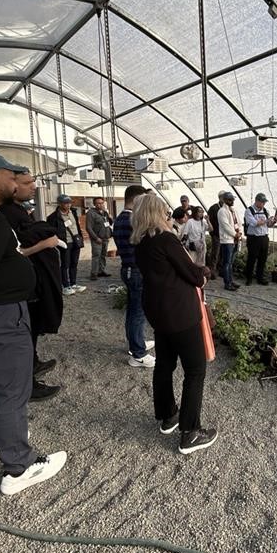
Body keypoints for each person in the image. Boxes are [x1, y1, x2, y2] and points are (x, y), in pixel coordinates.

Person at [0, 151, 66, 495]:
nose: (15, 182)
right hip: (0, 317)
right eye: (11, 176)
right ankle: (19, 467)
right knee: (9, 392)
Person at [132, 195, 217, 455]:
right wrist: (203, 274)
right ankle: (191, 432)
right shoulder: (166, 239)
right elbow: (192, 273)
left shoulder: (140, 242)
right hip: (180, 312)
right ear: (157, 213)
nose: (168, 215)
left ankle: (168, 416)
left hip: (158, 312)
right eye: (165, 211)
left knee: (164, 365)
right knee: (195, 370)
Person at [0, 168, 63, 401]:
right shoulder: (4, 214)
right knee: (23, 335)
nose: (33, 187)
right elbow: (12, 252)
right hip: (19, 289)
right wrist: (45, 243)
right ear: (11, 184)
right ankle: (28, 385)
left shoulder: (17, 210)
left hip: (31, 284)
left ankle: (33, 364)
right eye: (27, 183)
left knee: (32, 329)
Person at [112, 185, 155, 368]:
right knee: (137, 312)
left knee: (133, 311)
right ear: (136, 199)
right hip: (136, 270)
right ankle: (138, 354)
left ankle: (136, 343)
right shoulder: (131, 219)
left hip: (129, 269)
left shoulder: (121, 218)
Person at [46, 194, 84, 296]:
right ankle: (65, 285)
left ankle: (73, 283)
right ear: (59, 204)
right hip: (65, 242)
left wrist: (80, 237)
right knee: (65, 264)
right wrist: (57, 241)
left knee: (74, 263)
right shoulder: (53, 217)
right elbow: (51, 231)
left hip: (76, 241)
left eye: (69, 203)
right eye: (66, 203)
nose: (68, 205)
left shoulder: (73, 212)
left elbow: (77, 226)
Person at [244, 192, 277, 286]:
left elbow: (268, 225)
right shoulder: (249, 210)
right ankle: (249, 278)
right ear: (256, 201)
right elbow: (254, 223)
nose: (263, 204)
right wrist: (266, 221)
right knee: (252, 258)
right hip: (253, 238)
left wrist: (274, 221)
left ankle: (260, 277)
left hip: (264, 237)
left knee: (263, 259)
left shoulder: (265, 211)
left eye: (264, 202)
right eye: (262, 202)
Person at [218, 191, 241, 291]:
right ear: (225, 200)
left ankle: (231, 281)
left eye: (232, 199)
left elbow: (239, 222)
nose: (232, 201)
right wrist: (235, 234)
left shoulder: (233, 210)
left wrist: (240, 232)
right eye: (230, 200)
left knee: (231, 262)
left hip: (234, 239)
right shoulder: (222, 211)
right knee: (227, 262)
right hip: (227, 240)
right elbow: (225, 226)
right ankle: (227, 283)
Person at [86, 196, 112, 280]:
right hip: (97, 239)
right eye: (98, 203)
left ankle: (101, 271)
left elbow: (109, 223)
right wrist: (96, 238)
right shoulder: (91, 213)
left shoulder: (105, 212)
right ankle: (94, 273)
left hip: (105, 238)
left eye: (101, 203)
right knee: (96, 256)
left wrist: (110, 217)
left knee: (103, 255)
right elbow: (88, 227)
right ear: (94, 204)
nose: (100, 205)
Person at [206, 190, 226, 279]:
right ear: (220, 198)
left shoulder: (227, 208)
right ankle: (212, 271)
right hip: (216, 235)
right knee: (215, 253)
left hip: (225, 236)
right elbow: (209, 221)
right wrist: (212, 234)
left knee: (222, 254)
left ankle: (220, 270)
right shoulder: (213, 208)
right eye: (224, 197)